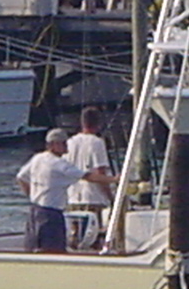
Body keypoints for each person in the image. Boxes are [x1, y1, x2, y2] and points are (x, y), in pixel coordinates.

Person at [16, 127, 117, 253]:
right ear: (53, 145)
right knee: (54, 250)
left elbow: (21, 177)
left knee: (33, 249)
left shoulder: (38, 158)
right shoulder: (59, 164)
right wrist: (113, 179)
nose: (66, 146)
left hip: (34, 211)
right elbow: (88, 176)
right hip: (51, 214)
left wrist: (31, 195)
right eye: (63, 143)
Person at [65, 107, 113, 245]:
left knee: (75, 236)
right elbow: (100, 172)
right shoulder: (97, 142)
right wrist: (111, 197)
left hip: (72, 198)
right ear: (99, 124)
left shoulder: (70, 142)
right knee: (93, 237)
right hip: (93, 198)